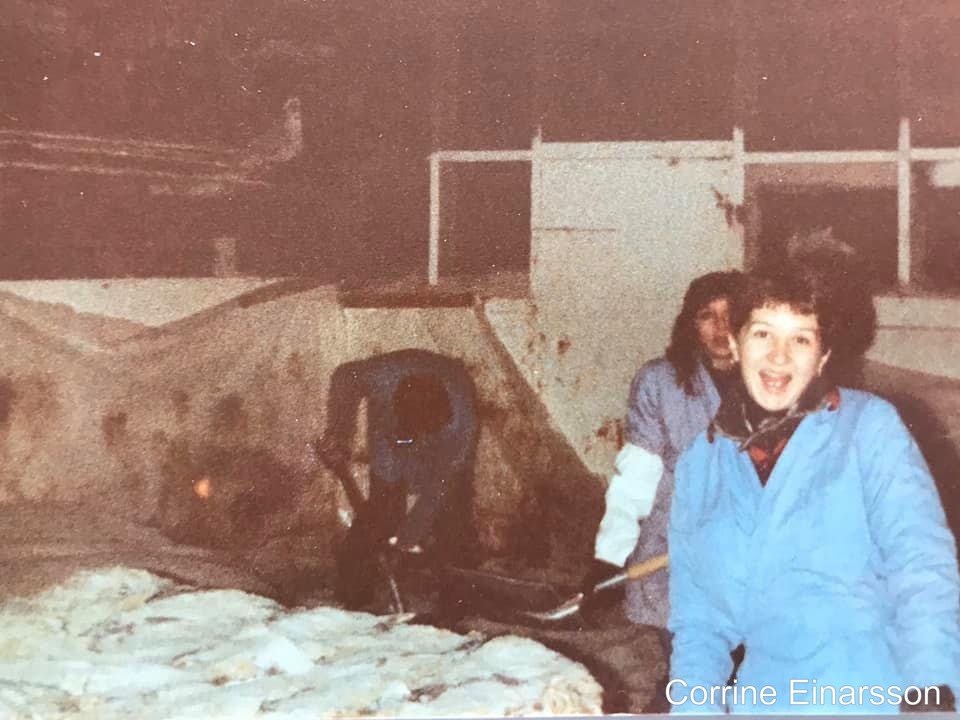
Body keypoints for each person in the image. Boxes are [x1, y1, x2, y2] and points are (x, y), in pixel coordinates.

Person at [667, 263, 960, 714]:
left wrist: (932, 689)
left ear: (822, 356)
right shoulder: (701, 464)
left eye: (800, 339)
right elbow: (699, 624)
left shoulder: (868, 427)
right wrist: (693, 710)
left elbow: (921, 568)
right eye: (763, 334)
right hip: (765, 701)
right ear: (735, 343)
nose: (779, 356)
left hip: (876, 694)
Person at [585, 271, 743, 708]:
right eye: (707, 316)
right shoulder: (660, 382)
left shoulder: (773, 380)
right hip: (675, 537)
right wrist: (610, 554)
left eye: (732, 315)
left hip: (751, 542)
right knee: (684, 650)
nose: (721, 328)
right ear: (690, 324)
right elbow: (638, 472)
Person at [315, 348, 478, 612]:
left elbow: (435, 493)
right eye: (412, 436)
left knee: (452, 509)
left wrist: (405, 542)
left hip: (445, 413)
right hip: (394, 419)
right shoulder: (382, 381)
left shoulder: (460, 428)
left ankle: (457, 599)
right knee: (382, 511)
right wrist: (339, 433)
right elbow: (344, 375)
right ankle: (354, 597)